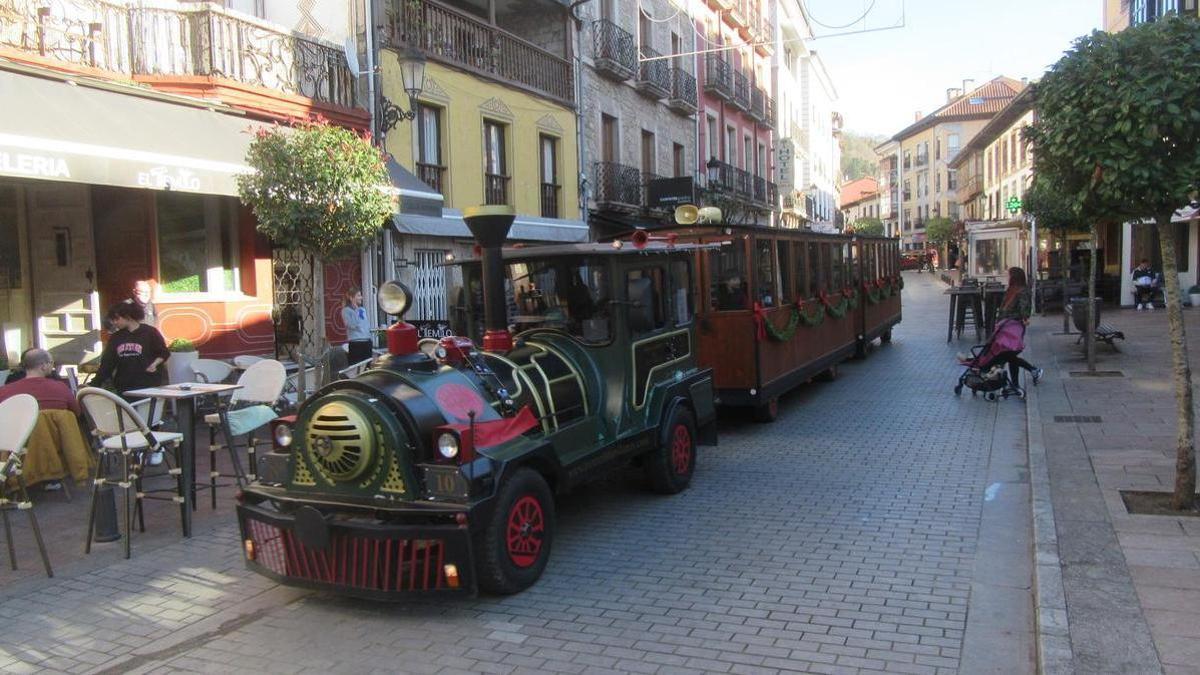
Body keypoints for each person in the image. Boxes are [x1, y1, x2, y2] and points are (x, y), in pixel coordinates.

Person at [94, 302, 170, 397]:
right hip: (124, 387)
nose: (114, 322)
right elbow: (107, 363)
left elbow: (163, 352)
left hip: (148, 384)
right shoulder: (116, 337)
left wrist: (154, 364)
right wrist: (94, 384)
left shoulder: (150, 332)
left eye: (117, 319)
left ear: (128, 317)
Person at [991, 266, 1043, 392]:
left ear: (1014, 277)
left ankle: (1032, 370)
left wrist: (1024, 317)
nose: (1007, 277)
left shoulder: (1022, 291)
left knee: (1009, 354)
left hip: (1013, 328)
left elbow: (1024, 310)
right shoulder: (1011, 290)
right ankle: (1016, 382)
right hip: (1004, 327)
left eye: (1008, 275)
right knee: (1010, 355)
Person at [0, 348, 78, 414]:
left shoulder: (4, 391)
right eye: (51, 363)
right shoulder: (61, 388)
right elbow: (76, 413)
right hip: (52, 432)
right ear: (43, 366)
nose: (52, 366)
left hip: (19, 432)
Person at [341, 286, 373, 364]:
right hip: (356, 343)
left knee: (367, 367)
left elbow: (365, 325)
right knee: (356, 366)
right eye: (358, 295)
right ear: (352, 298)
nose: (361, 298)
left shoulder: (362, 309)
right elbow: (352, 325)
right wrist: (356, 311)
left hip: (367, 342)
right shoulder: (346, 311)